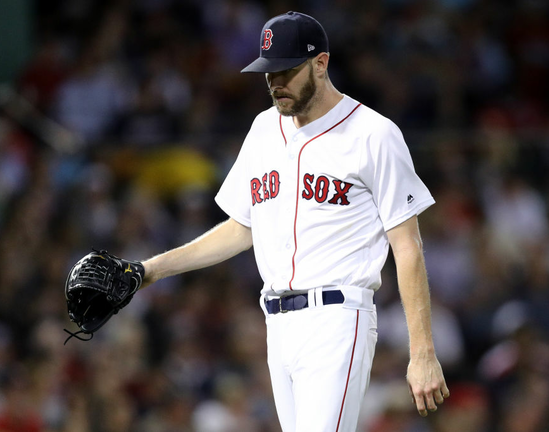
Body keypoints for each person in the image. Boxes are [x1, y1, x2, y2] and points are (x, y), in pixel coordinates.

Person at [138, 11, 449, 431]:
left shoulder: (374, 134)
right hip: (277, 325)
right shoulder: (264, 129)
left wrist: (422, 351)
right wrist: (151, 270)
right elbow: (241, 227)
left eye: (286, 71)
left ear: (320, 63)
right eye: (268, 73)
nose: (275, 83)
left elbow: (407, 246)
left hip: (337, 319)